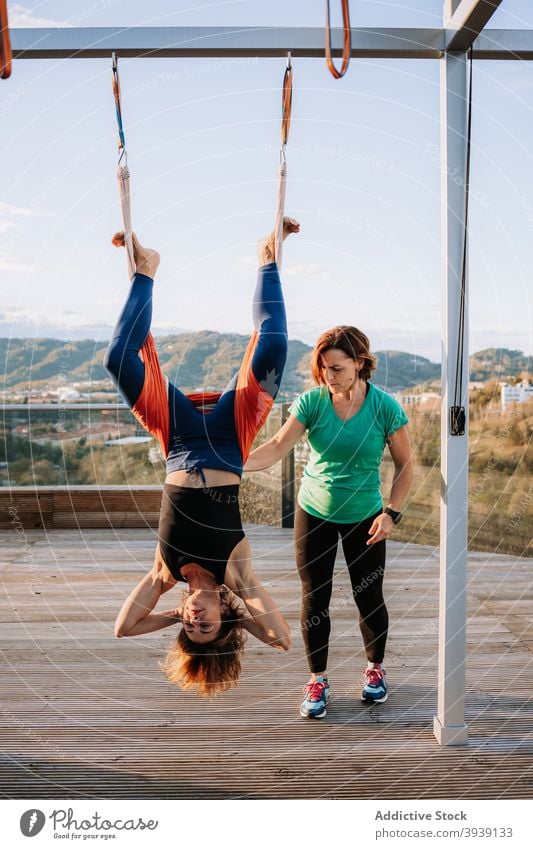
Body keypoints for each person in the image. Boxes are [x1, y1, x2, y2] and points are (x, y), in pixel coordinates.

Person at [104, 220, 299, 697]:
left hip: (181, 438)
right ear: (223, 621)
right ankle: (268, 257)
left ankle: (145, 271)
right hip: (231, 437)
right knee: (273, 346)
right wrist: (236, 616)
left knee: (117, 360)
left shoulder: (165, 573)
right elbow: (282, 639)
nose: (195, 620)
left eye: (189, 628)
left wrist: (173, 611)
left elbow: (123, 628)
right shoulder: (238, 574)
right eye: (205, 627)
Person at [244, 325, 413, 717]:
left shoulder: (385, 407)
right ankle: (317, 679)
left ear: (359, 364)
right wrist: (232, 463)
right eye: (324, 369)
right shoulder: (312, 402)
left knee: (368, 596)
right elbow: (275, 447)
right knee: (315, 597)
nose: (329, 376)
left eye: (337, 368)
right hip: (315, 512)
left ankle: (375, 671)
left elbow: (406, 466)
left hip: (366, 517)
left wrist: (392, 513)